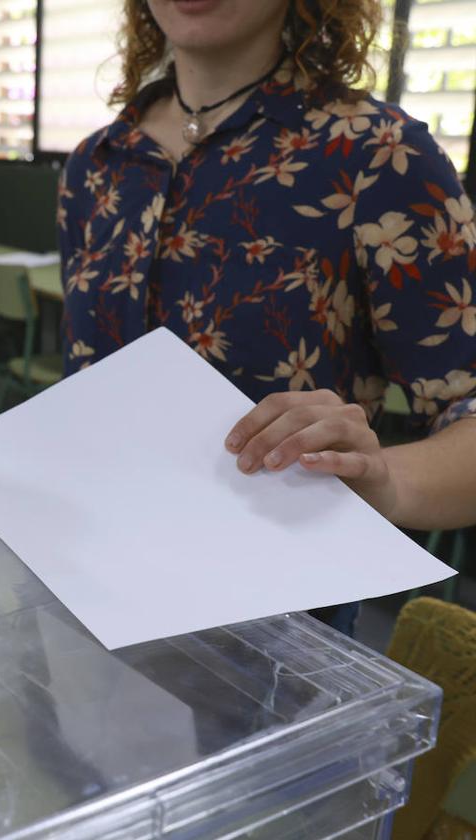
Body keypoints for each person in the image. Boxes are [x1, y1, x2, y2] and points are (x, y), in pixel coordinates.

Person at [57, 0, 476, 632]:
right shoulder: (100, 163)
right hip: (94, 578)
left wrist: (384, 480)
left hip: (279, 623)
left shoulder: (378, 155)